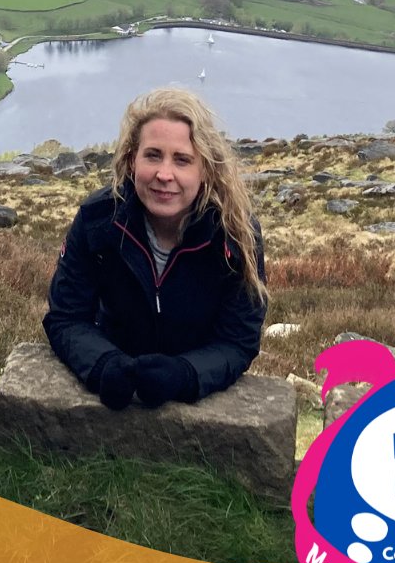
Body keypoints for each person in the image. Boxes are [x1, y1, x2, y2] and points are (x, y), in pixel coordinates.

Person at [44, 87, 267, 409]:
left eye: (182, 160)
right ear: (132, 160)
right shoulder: (97, 221)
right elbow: (66, 318)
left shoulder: (236, 235)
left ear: (205, 169)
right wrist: (103, 364)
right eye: (152, 155)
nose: (165, 174)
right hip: (115, 383)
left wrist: (186, 374)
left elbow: (238, 341)